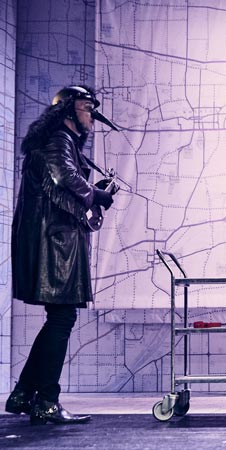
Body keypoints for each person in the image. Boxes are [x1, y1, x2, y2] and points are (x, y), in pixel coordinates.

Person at [6, 85, 120, 424]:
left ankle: (24, 393)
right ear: (68, 110)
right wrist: (97, 195)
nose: (92, 114)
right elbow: (64, 176)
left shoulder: (58, 140)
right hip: (55, 243)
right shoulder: (59, 139)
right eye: (86, 107)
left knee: (58, 318)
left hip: (51, 239)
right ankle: (46, 401)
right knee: (61, 318)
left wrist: (93, 194)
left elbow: (62, 181)